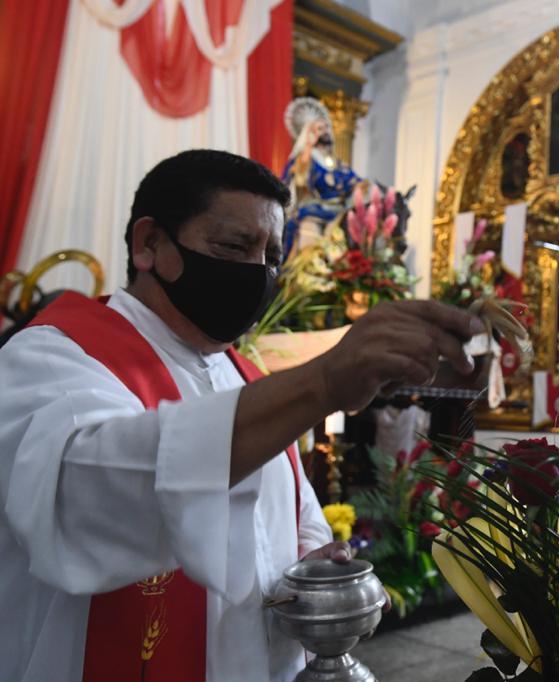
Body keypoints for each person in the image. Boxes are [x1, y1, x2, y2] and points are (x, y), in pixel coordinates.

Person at [0, 150, 482, 682]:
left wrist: (317, 562)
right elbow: (87, 498)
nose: (258, 273)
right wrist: (322, 382)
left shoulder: (244, 378)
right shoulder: (51, 357)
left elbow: (294, 522)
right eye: (233, 246)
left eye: (272, 256)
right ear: (149, 244)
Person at [281, 97, 360, 259]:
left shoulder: (336, 164)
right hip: (313, 213)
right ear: (309, 134)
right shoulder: (305, 159)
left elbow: (354, 182)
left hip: (337, 215)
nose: (325, 131)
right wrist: (308, 149)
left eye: (326, 128)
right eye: (319, 129)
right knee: (310, 250)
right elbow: (300, 182)